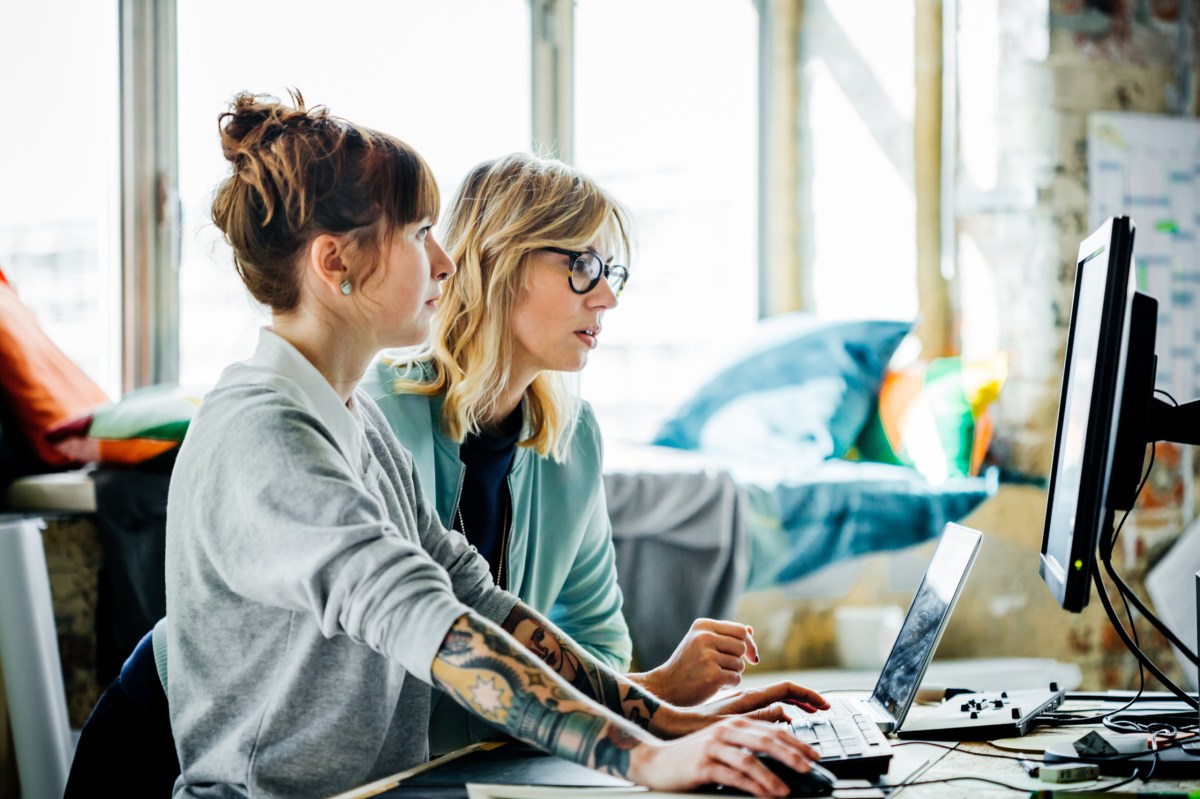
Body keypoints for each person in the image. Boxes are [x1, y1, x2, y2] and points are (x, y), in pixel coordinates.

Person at [154, 91, 825, 798]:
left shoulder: (350, 419)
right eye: (418, 234)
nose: (445, 261)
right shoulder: (266, 431)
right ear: (335, 264)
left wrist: (664, 721)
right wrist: (646, 759)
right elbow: (427, 619)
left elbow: (477, 598)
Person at [361, 154, 759, 727]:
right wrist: (654, 694)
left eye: (611, 274)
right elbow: (391, 693)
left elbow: (598, 645)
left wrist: (644, 698)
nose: (607, 298)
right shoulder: (377, 414)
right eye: (584, 266)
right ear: (499, 259)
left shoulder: (573, 439)